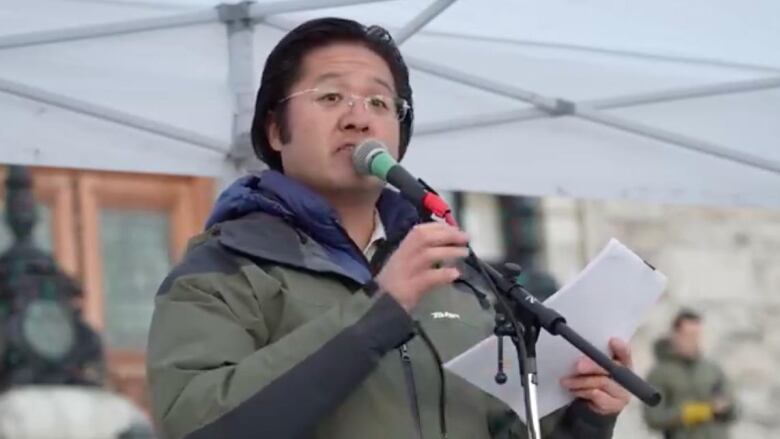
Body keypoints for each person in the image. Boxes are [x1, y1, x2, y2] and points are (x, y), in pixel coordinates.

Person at [147, 17, 634, 439]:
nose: (359, 119)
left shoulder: (457, 279)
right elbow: (197, 423)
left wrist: (586, 416)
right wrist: (379, 312)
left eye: (380, 103)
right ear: (276, 130)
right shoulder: (222, 269)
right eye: (331, 95)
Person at [643, 309, 738, 439]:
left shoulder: (712, 369)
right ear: (675, 335)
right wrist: (689, 413)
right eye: (689, 335)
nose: (694, 341)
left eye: (697, 335)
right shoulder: (659, 374)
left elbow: (735, 409)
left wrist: (726, 407)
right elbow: (653, 418)